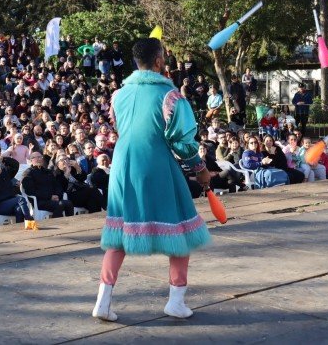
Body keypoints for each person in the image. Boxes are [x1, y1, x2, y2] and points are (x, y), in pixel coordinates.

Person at [93, 38, 210, 322]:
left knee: (120, 231)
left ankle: (103, 301)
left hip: (122, 164)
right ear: (158, 61)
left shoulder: (119, 95)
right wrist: (200, 168)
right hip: (154, 161)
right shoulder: (169, 96)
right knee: (180, 228)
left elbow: (122, 127)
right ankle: (176, 301)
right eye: (165, 58)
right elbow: (182, 139)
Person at [21, 152, 73, 218]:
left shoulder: (48, 172)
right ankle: (57, 225)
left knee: (69, 203)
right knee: (60, 204)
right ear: (31, 160)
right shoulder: (28, 173)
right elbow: (30, 191)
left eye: (40, 157)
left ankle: (70, 224)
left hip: (53, 199)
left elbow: (57, 186)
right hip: (40, 201)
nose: (39, 159)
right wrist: (49, 197)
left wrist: (57, 195)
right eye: (36, 157)